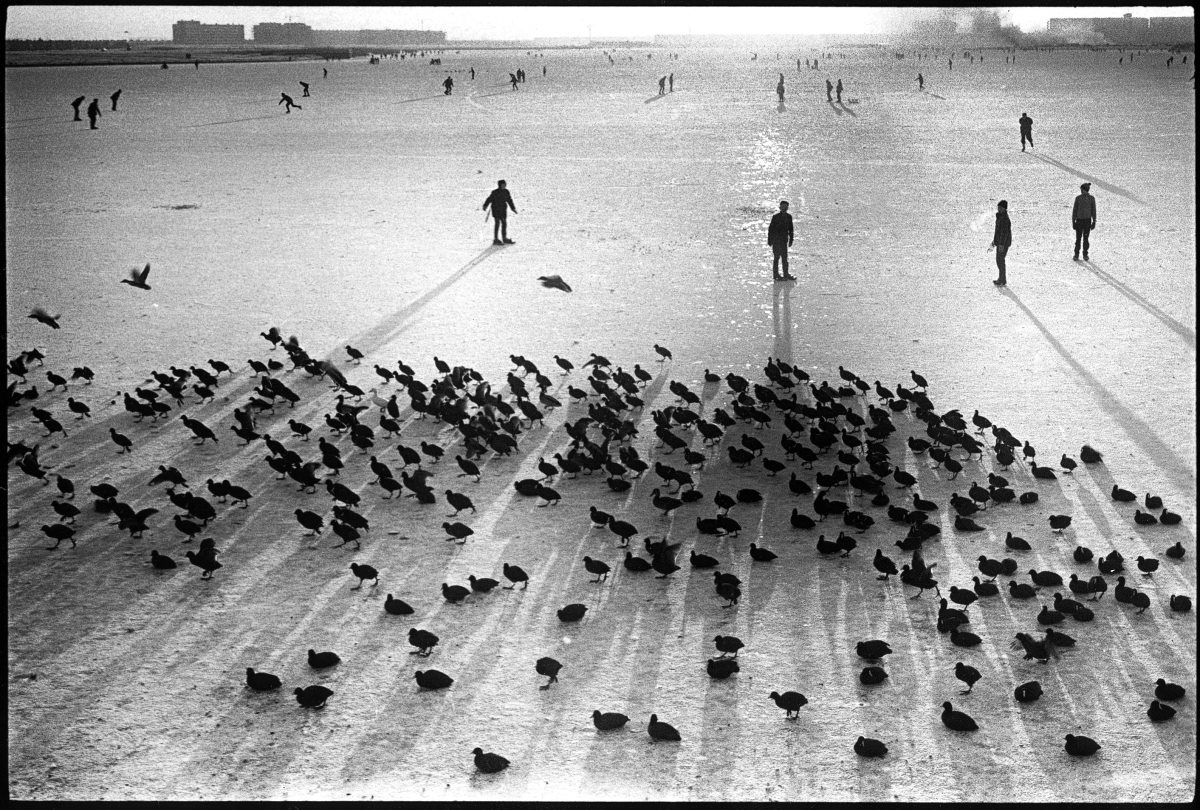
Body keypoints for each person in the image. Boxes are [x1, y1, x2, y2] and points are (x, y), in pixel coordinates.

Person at [483, 179, 518, 245]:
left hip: (503, 210)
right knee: (497, 224)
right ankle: (496, 239)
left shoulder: (506, 191)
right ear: (500, 185)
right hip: (496, 210)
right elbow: (489, 199)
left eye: (505, 184)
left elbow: (509, 200)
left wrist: (513, 208)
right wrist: (485, 206)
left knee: (504, 223)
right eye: (503, 184)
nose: (505, 185)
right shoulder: (495, 192)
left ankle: (504, 238)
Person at [767, 201, 795, 281]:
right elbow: (771, 229)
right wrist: (770, 240)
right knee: (776, 258)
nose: (784, 208)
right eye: (783, 207)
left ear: (787, 208)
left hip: (784, 241)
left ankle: (786, 274)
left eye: (785, 207)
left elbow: (791, 230)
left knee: (784, 258)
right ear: (780, 207)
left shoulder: (789, 217)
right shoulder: (775, 217)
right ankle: (776, 275)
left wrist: (791, 240)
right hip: (776, 241)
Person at [989, 200, 1012, 285]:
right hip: (1000, 242)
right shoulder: (1000, 217)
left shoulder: (1005, 219)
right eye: (998, 207)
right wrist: (994, 241)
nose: (998, 209)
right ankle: (1001, 278)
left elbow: (1004, 233)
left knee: (1000, 260)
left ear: (1004, 208)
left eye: (1000, 208)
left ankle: (1002, 279)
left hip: (1003, 243)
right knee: (999, 260)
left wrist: (1001, 244)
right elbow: (998, 231)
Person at [1072, 183, 1096, 261]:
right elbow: (1075, 210)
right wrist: (1073, 221)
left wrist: (1094, 221)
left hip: (1087, 221)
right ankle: (1076, 254)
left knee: (1085, 239)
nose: (1081, 191)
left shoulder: (1091, 199)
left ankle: (1085, 254)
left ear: (1084, 190)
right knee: (1078, 239)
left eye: (1082, 189)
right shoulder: (1078, 198)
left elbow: (1093, 210)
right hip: (1080, 221)